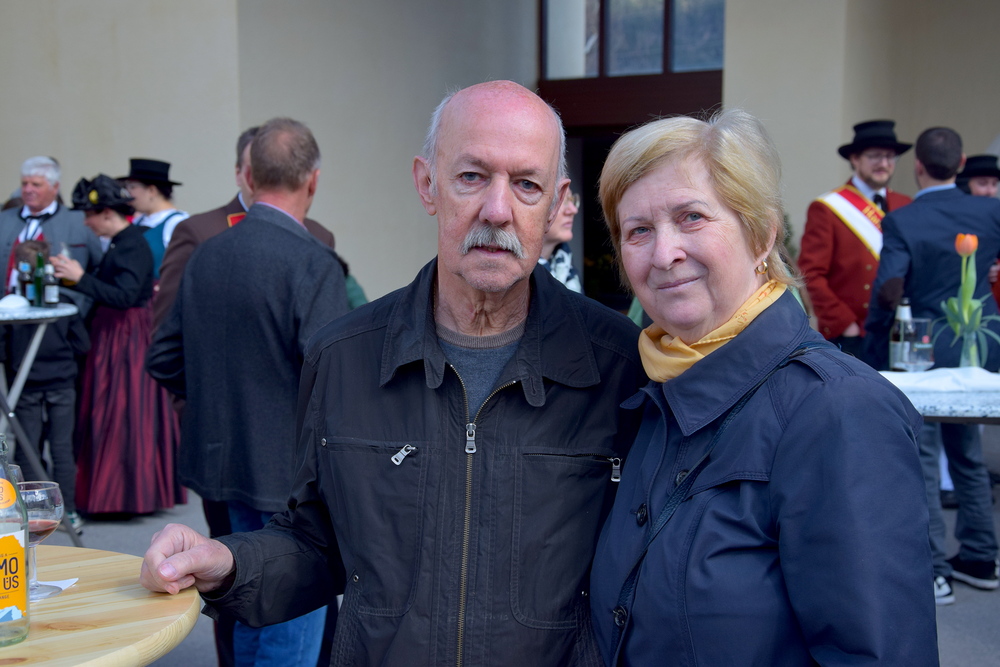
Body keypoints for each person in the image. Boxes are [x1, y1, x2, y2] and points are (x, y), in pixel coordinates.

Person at [140, 81, 644, 666]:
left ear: (557, 203)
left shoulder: (620, 366)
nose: (497, 210)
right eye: (472, 176)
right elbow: (317, 542)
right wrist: (227, 561)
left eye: (526, 184)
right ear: (427, 185)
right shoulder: (343, 357)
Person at [588, 110, 936, 665]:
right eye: (638, 231)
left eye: (691, 217)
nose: (664, 253)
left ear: (761, 234)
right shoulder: (651, 390)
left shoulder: (838, 410)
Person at [146, 117, 349, 667]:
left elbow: (162, 357)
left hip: (223, 460)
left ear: (250, 176)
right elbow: (333, 382)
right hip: (290, 473)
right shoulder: (312, 262)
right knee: (290, 617)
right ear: (313, 180)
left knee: (249, 604)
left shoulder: (208, 252)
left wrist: (216, 402)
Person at [867, 127, 1000, 604]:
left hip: (922, 351)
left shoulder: (903, 219)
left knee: (921, 457)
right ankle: (982, 556)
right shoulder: (990, 210)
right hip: (976, 346)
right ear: (961, 164)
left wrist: (872, 347)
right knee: (967, 451)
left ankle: (935, 569)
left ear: (918, 165)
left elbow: (889, 290)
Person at [49, 174, 183, 515]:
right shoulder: (123, 241)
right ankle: (115, 494)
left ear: (107, 213)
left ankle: (123, 496)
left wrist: (81, 278)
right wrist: (74, 280)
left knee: (122, 410)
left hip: (126, 339)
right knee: (116, 411)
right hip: (117, 335)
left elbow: (124, 296)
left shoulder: (132, 244)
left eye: (89, 215)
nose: (86, 222)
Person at [153, 126, 340, 329]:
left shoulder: (318, 235)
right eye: (262, 170)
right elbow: (166, 324)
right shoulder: (199, 231)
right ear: (241, 174)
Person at [798, 120, 912, 359]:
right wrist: (844, 323)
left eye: (890, 156)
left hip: (899, 329)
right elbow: (811, 273)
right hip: (855, 334)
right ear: (855, 159)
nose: (884, 163)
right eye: (875, 156)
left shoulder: (906, 205)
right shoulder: (828, 208)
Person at [3, 239, 89, 533]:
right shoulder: (63, 303)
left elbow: (2, 350)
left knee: (28, 448)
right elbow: (82, 344)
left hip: (25, 384)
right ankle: (69, 512)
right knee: (62, 448)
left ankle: (32, 511)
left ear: (17, 266)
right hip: (62, 382)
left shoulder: (10, 306)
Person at [0, 157, 103, 311]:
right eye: (24, 184)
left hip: (61, 311)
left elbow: (98, 266)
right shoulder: (4, 219)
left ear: (54, 187)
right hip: (6, 309)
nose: (28, 190)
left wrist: (85, 305)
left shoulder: (78, 221)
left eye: (36, 185)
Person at [120, 158, 188, 278]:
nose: (128, 193)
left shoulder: (176, 223)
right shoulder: (139, 220)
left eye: (132, 187)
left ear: (152, 190)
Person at [537, 187, 582, 292]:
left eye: (571, 199)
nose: (573, 210)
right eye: (561, 200)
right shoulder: (517, 276)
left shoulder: (567, 267)